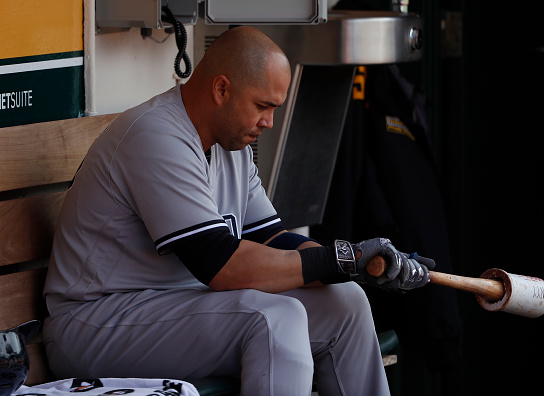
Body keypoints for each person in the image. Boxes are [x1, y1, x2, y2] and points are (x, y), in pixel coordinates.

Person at [42, 26, 432, 396]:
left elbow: (274, 241)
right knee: (274, 319)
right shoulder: (156, 135)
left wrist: (359, 266)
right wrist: (343, 260)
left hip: (178, 308)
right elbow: (222, 266)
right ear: (222, 89)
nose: (269, 121)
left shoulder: (234, 149)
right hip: (95, 322)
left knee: (344, 302)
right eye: (263, 105)